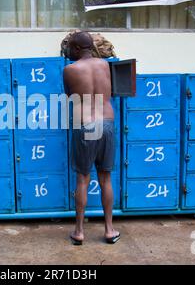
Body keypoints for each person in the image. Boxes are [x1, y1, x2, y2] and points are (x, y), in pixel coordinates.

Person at [63, 31, 120, 245]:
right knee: (105, 179)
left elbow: (70, 97)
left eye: (70, 47)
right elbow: (111, 91)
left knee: (82, 179)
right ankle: (109, 230)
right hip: (107, 123)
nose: (67, 50)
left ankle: (79, 232)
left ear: (77, 49)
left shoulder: (69, 69)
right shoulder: (105, 65)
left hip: (85, 124)